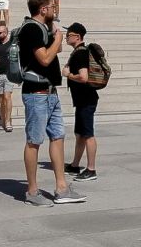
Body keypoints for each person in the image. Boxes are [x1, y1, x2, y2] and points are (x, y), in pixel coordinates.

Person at [18, 0, 86, 206]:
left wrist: (54, 37)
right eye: (52, 6)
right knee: (34, 141)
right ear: (43, 10)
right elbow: (45, 59)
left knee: (58, 136)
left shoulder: (43, 29)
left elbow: (56, 50)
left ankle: (61, 187)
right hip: (36, 94)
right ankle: (32, 191)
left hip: (50, 93)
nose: (55, 9)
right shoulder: (30, 29)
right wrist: (56, 38)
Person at [62, 23, 101, 180]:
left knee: (88, 134)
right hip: (82, 100)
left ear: (77, 37)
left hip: (86, 100)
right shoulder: (79, 52)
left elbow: (83, 77)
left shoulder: (80, 54)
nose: (66, 37)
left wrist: (68, 74)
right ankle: (75, 165)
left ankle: (91, 169)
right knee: (80, 134)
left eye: (69, 35)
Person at [0, 24, 15, 132]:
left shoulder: (11, 44)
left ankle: (8, 122)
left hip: (9, 74)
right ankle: (3, 121)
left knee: (7, 97)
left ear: (6, 33)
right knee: (0, 100)